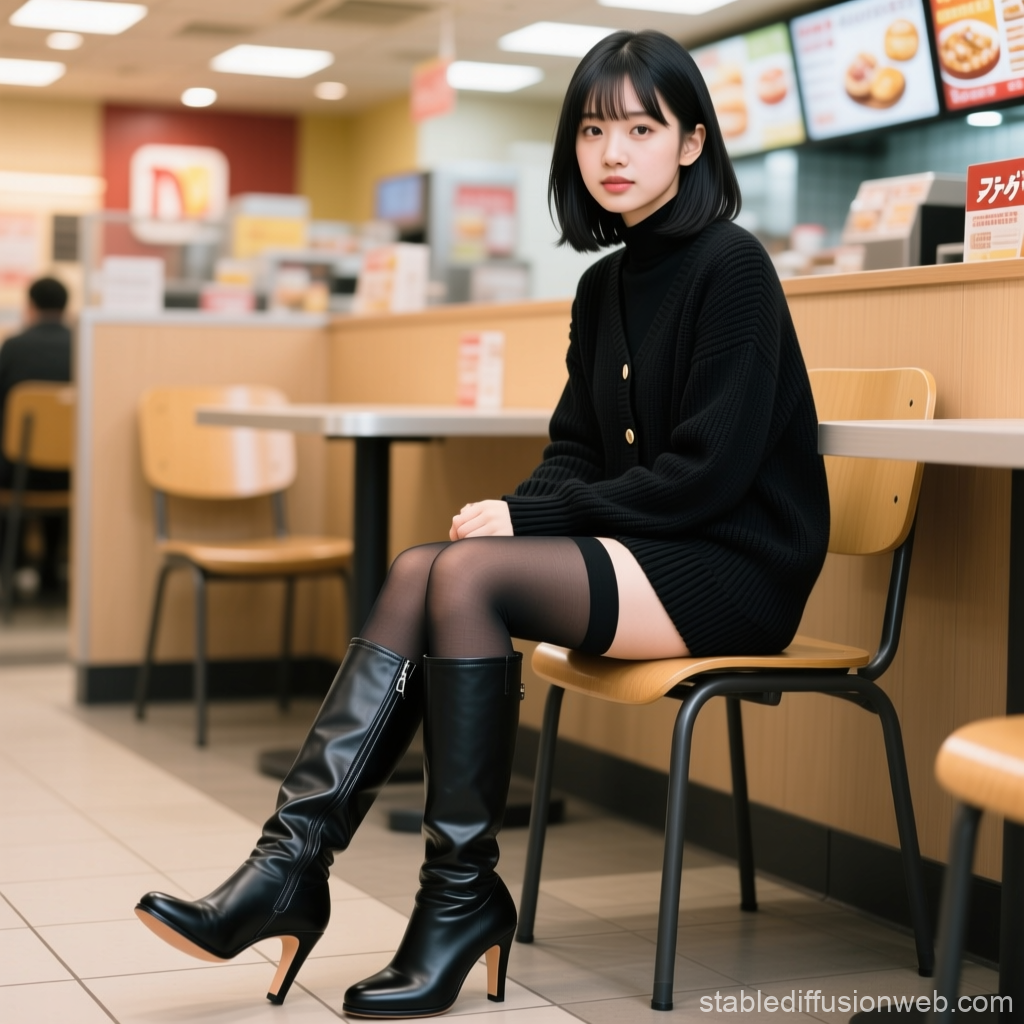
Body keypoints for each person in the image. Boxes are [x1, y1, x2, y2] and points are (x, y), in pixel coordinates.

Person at [134, 29, 830, 1020]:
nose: (613, 150)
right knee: (436, 563)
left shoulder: (734, 268)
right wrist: (514, 515)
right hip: (651, 549)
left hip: (732, 564)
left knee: (466, 575)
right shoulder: (604, 286)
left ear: (691, 143)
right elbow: (578, 452)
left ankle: (439, 897)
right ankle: (297, 866)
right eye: (593, 128)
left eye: (642, 125)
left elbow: (705, 477)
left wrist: (530, 519)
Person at [0, 277, 72, 592]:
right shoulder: (83, 347)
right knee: (56, 468)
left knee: (13, 462)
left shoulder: (13, 348)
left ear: (30, 307)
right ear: (67, 308)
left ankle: (11, 566)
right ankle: (50, 572)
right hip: (72, 476)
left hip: (18, 475)